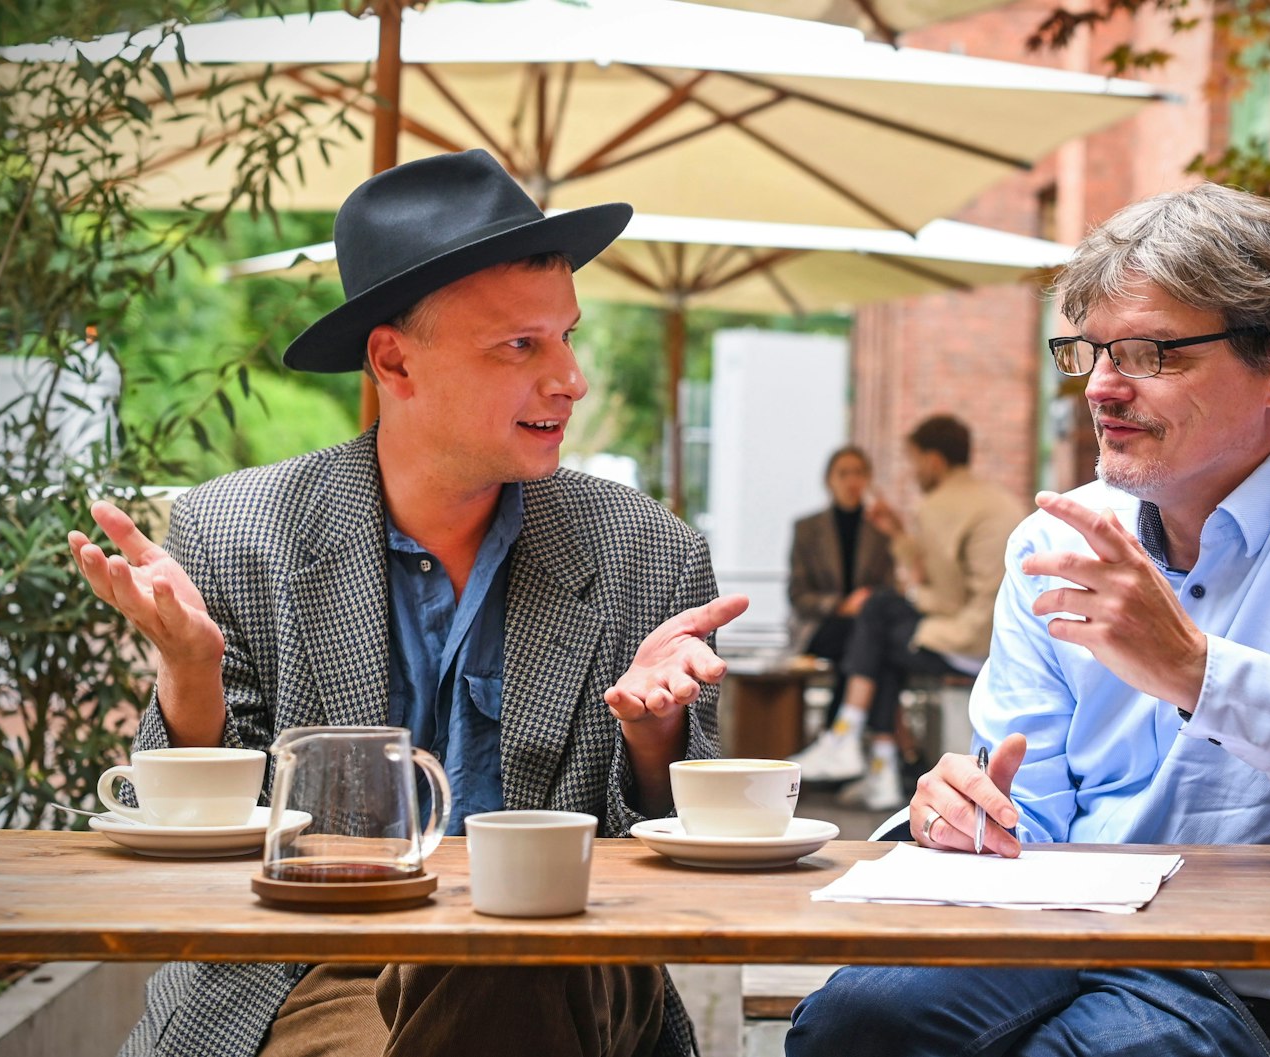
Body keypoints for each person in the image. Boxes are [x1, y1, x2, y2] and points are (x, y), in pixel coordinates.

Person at [786, 183, 1270, 1057]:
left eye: (1151, 352)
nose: (1102, 388)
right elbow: (1025, 812)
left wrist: (1201, 673)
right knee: (847, 1024)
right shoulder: (1056, 535)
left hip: (1266, 973)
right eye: (1090, 350)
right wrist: (963, 815)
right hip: (1058, 935)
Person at [67, 150, 745, 1057]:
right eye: (521, 345)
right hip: (319, 961)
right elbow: (196, 850)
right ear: (395, 360)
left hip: (575, 951)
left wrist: (655, 734)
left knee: (509, 954)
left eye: (567, 335)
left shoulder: (649, 551)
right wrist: (191, 676)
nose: (570, 379)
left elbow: (680, 860)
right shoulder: (235, 533)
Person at [789, 415, 1024, 811]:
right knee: (881, 640)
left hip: (967, 640)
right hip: (999, 636)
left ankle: (846, 735)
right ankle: (878, 772)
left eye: (914, 461)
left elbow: (945, 599)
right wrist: (900, 536)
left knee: (878, 611)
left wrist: (912, 592)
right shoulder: (994, 499)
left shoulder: (938, 505)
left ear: (933, 460)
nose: (913, 472)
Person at [786, 445, 896, 717]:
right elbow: (798, 595)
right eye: (843, 473)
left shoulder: (879, 531)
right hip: (819, 626)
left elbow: (890, 588)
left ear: (868, 478)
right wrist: (841, 605)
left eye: (858, 473)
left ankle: (841, 733)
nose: (852, 481)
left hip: (866, 623)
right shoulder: (808, 528)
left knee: (870, 640)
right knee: (871, 643)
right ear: (829, 481)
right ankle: (876, 740)